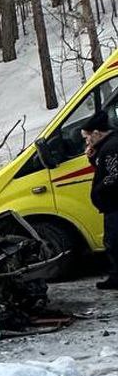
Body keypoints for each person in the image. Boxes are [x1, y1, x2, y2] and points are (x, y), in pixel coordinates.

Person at [82, 110, 118, 290]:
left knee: (114, 242)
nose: (87, 141)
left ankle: (116, 278)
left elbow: (114, 175)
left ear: (97, 133)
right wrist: (92, 158)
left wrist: (100, 189)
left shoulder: (111, 147)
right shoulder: (107, 145)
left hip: (114, 204)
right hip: (112, 204)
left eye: (88, 136)